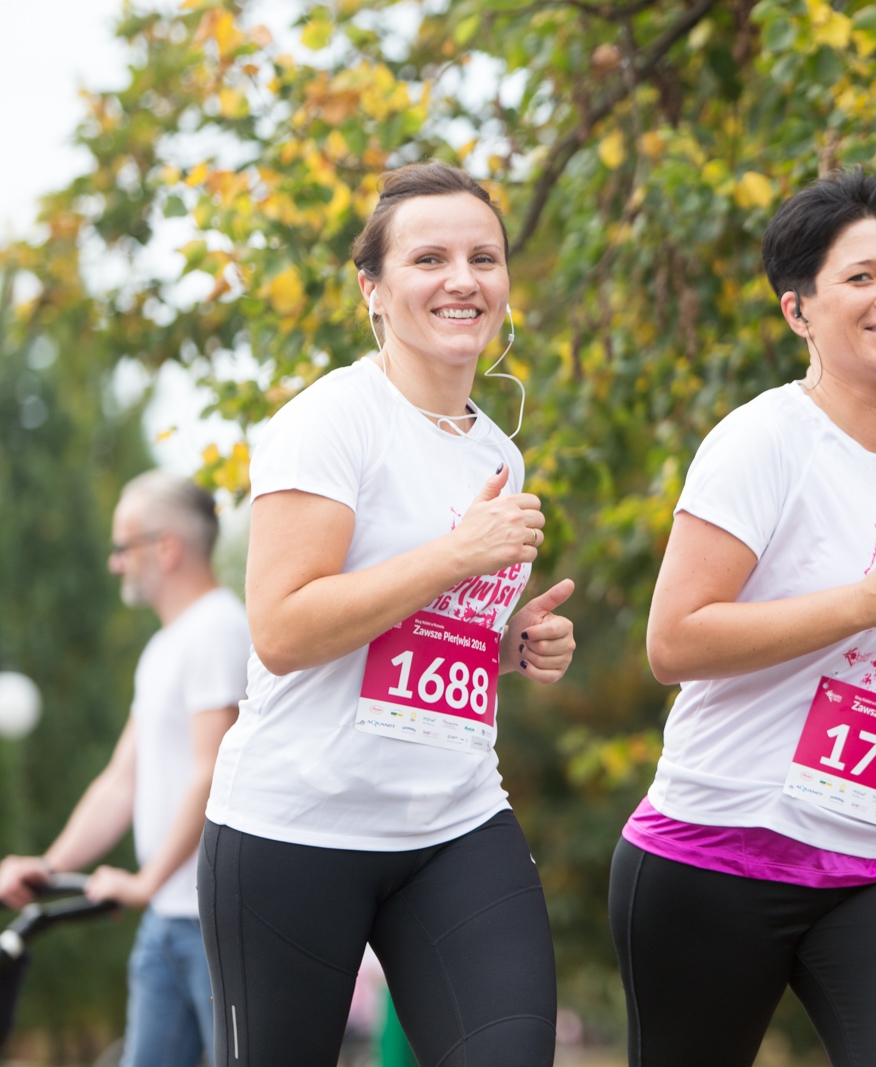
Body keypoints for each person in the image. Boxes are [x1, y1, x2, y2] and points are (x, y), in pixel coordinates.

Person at [611, 169, 876, 1067]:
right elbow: (675, 641)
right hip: (722, 847)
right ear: (799, 309)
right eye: (861, 276)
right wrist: (863, 602)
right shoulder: (761, 441)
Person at [199, 161, 576, 1066]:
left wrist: (506, 644)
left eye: (483, 257)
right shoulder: (331, 420)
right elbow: (284, 630)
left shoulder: (496, 451)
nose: (462, 279)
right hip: (296, 830)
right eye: (429, 258)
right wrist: (459, 553)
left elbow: (413, 638)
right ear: (372, 287)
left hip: (454, 821)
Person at [0, 470, 250, 1067]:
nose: (114, 563)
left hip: (215, 925)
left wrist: (143, 881)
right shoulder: (165, 647)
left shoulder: (218, 629)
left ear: (165, 547)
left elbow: (210, 769)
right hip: (166, 920)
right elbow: (121, 781)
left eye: (122, 547)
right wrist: (50, 867)